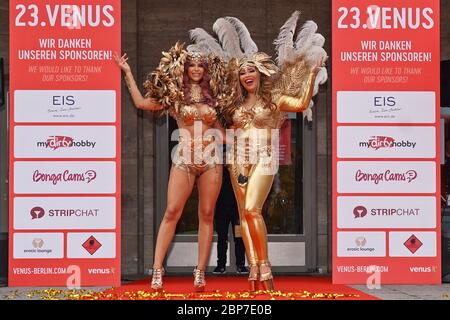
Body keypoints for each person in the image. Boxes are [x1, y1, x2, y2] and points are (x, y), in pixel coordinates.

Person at [189, 13, 327, 291]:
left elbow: (300, 104)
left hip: (265, 158)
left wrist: (311, 73)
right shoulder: (234, 107)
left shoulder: (274, 99)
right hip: (237, 161)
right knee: (243, 215)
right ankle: (253, 270)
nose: (246, 75)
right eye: (242, 72)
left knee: (253, 209)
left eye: (250, 70)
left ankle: (264, 266)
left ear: (260, 73)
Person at [114, 43, 226, 292]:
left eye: (200, 65)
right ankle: (157, 269)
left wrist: (253, 133)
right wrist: (127, 73)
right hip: (184, 159)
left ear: (205, 69)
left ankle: (200, 271)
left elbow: (222, 133)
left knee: (207, 215)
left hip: (211, 161)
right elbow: (142, 103)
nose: (196, 69)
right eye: (192, 65)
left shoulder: (213, 97)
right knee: (172, 212)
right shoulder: (174, 94)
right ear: (185, 68)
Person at [213, 167, 249, 275]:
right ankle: (221, 265)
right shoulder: (218, 172)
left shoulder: (238, 170)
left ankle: (241, 265)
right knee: (221, 238)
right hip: (221, 211)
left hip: (237, 211)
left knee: (239, 238)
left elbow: (245, 186)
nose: (226, 159)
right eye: (224, 157)